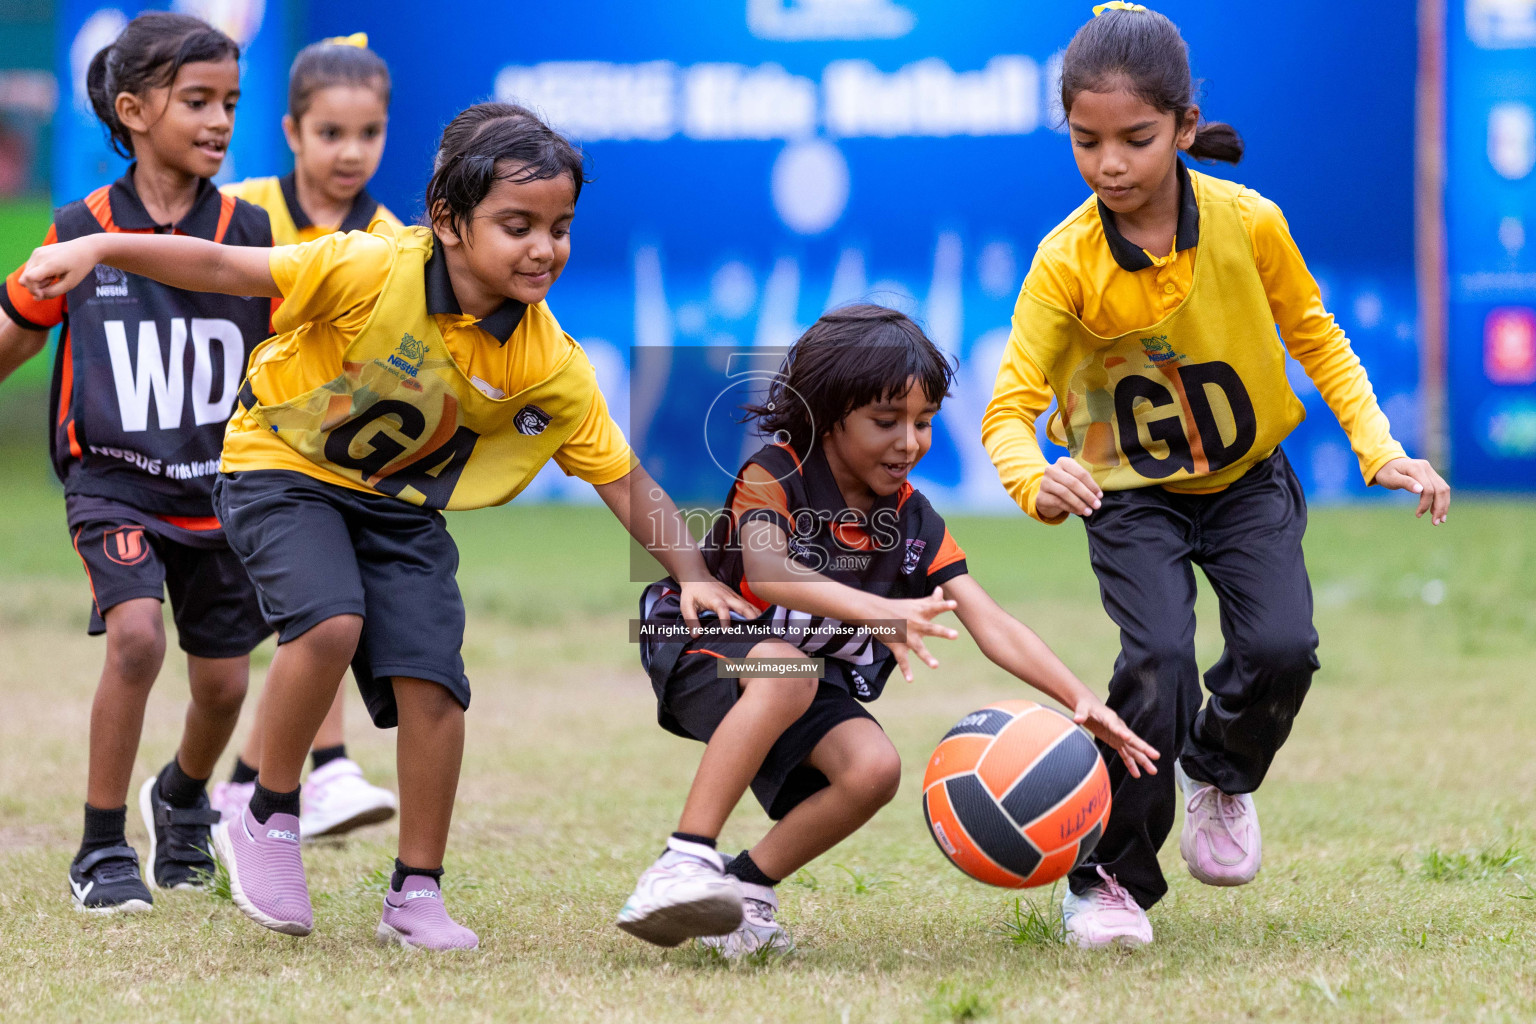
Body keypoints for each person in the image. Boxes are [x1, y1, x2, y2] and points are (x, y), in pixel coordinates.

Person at [18, 101, 755, 951]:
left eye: (559, 226)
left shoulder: (550, 364)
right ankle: (265, 813)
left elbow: (623, 480)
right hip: (279, 468)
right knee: (330, 623)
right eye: (517, 225)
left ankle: (415, 892)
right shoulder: (370, 265)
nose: (543, 247)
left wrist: (694, 577)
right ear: (446, 220)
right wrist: (99, 246)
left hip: (398, 509)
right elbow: (224, 265)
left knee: (434, 683)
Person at [981, 2, 1451, 949]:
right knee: (1154, 666)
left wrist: (1378, 445)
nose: (1110, 164)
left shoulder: (1250, 223)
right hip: (1130, 498)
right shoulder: (1063, 261)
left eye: (1136, 139)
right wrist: (1035, 478)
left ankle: (1221, 773)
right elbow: (1008, 408)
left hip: (1246, 484)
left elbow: (1316, 337)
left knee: (1283, 648)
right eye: (1086, 141)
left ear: (1186, 128)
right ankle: (1107, 879)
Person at [617, 305, 1159, 956]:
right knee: (784, 676)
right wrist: (885, 613)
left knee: (873, 769)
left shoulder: (912, 519)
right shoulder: (777, 472)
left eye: (924, 422)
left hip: (788, 670)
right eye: (885, 422)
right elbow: (767, 571)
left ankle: (745, 889)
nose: (909, 442)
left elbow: (986, 619)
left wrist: (1081, 699)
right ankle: (682, 862)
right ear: (828, 414)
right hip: (702, 640)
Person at [0, 12, 272, 913]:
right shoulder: (81, 228)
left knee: (225, 682)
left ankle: (184, 799)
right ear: (132, 109)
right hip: (114, 482)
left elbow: (301, 353)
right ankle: (102, 848)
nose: (220, 119)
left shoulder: (250, 228)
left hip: (223, 492)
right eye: (197, 99)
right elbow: (17, 335)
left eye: (230, 101)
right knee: (135, 639)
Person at [211, 32, 401, 839]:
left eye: (368, 133)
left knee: (316, 618)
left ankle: (258, 789)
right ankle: (307, 776)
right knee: (306, 624)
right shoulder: (242, 211)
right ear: (291, 132)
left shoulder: (394, 240)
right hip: (233, 455)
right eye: (330, 133)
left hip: (326, 468)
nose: (350, 152)